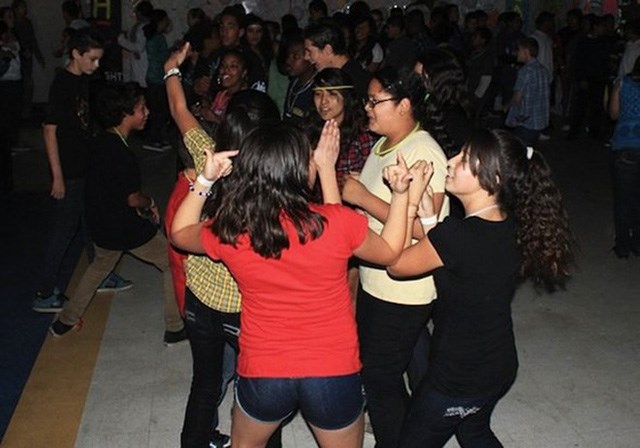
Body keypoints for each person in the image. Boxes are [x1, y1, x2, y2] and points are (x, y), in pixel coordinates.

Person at [169, 51, 417, 448]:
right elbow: (390, 251)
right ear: (301, 169)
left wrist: (205, 179)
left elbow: (180, 234)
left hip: (264, 370)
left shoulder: (234, 228)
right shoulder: (335, 223)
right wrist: (401, 194)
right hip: (332, 371)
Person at [390, 129, 573, 447]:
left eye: (464, 160)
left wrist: (406, 199)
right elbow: (459, 265)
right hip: (497, 365)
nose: (450, 161)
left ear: (493, 179)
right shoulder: (515, 226)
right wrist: (431, 220)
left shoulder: (457, 237)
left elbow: (396, 264)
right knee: (473, 431)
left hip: (457, 376)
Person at [164, 43, 283, 448]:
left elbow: (179, 109)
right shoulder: (276, 184)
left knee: (204, 383)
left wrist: (171, 70)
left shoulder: (208, 157)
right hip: (247, 307)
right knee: (259, 391)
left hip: (200, 300)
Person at [341, 67, 449, 448]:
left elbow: (428, 230)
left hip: (405, 286)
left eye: (376, 101)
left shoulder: (423, 152)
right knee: (383, 370)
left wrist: (364, 198)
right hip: (377, 278)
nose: (367, 107)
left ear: (404, 105)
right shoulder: (383, 143)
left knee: (380, 376)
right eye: (367, 100)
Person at [49, 82, 185, 346]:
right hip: (125, 227)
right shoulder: (122, 154)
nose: (147, 113)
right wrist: (150, 203)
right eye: (141, 108)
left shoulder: (99, 141)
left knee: (99, 267)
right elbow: (132, 199)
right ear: (125, 114)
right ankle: (175, 327)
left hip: (100, 225)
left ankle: (65, 321)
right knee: (171, 261)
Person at [31, 30, 131, 313]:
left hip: (84, 167)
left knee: (91, 223)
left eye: (99, 60)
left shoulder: (82, 82)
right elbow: (49, 130)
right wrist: (58, 176)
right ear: (76, 54)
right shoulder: (62, 84)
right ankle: (44, 292)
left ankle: (100, 274)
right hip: (70, 170)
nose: (96, 65)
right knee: (64, 230)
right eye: (92, 59)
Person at [608, 56, 640, 258]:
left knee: (623, 199)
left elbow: (613, 113)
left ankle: (622, 245)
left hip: (625, 147)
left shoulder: (622, 83)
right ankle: (638, 243)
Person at [304, 19, 370, 99]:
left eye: (309, 51)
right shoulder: (335, 75)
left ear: (328, 50)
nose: (306, 57)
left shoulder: (355, 83)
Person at [505, 37, 550, 146]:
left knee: (520, 148)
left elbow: (517, 98)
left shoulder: (525, 71)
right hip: (539, 120)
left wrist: (507, 106)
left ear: (526, 52)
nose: (517, 53)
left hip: (525, 121)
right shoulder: (543, 70)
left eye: (519, 50)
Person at [282, 28, 315, 125]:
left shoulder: (316, 89)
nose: (288, 61)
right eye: (288, 55)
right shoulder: (294, 83)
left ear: (309, 57)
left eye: (296, 57)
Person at [118, 0, 152, 87]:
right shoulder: (147, 26)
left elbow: (139, 47)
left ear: (139, 13)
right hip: (141, 65)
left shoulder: (143, 28)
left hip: (142, 65)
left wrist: (121, 40)